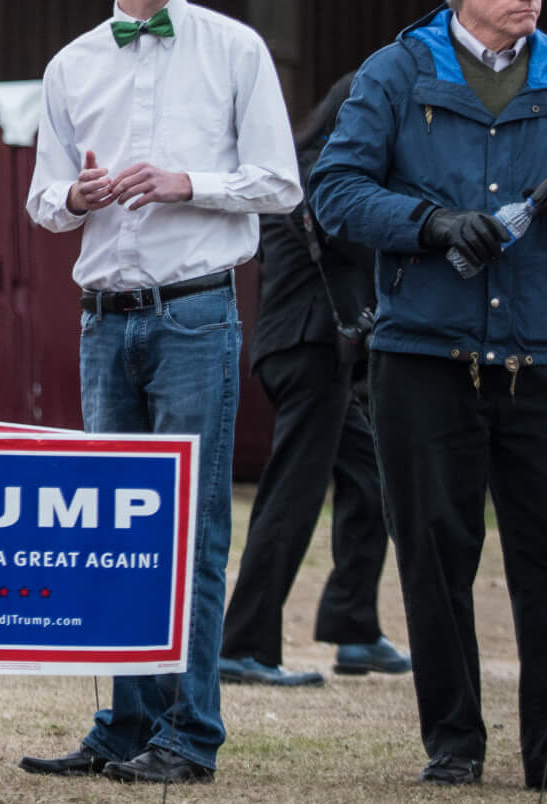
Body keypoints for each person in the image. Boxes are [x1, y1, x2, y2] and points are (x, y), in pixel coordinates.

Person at [314, 0, 547, 796]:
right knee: (435, 552)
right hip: (424, 355)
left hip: (542, 354)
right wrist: (429, 225)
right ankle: (455, 743)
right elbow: (335, 192)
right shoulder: (393, 71)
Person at [20, 0, 299, 786]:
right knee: (114, 529)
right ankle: (127, 722)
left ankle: (191, 732)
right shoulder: (72, 65)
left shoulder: (235, 49)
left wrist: (191, 182)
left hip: (194, 315)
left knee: (192, 532)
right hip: (105, 322)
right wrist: (77, 193)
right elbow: (41, 204)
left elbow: (282, 184)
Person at [220, 71, 410, 688]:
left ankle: (353, 626)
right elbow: (356, 246)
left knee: (372, 473)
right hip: (311, 347)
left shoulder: (300, 165)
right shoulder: (322, 174)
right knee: (291, 494)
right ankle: (243, 644)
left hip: (303, 346)